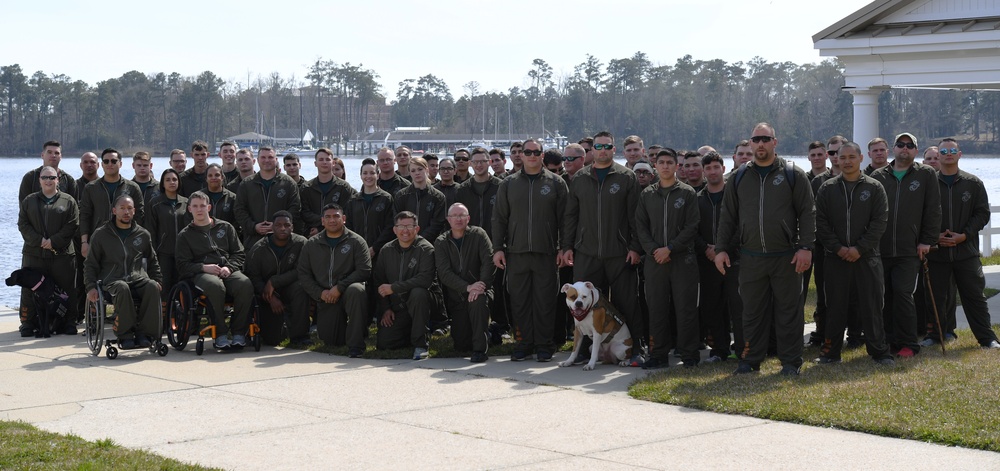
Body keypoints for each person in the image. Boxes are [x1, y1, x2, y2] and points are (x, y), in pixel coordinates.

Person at [714, 122, 815, 376]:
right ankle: (750, 360)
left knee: (789, 312)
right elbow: (728, 217)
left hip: (786, 257)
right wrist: (721, 249)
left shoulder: (793, 174)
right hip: (751, 257)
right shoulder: (739, 176)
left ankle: (791, 362)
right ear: (750, 143)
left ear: (774, 142)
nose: (760, 144)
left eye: (765, 139)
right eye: (755, 139)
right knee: (752, 313)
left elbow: (807, 212)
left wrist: (805, 247)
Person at [563, 131, 644, 365]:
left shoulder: (626, 177)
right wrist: (567, 246)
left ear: (613, 149)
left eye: (607, 146)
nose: (602, 150)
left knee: (627, 302)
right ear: (592, 150)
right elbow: (571, 216)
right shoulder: (579, 178)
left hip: (619, 253)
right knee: (584, 306)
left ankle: (635, 348)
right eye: (598, 146)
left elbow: (635, 218)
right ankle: (585, 351)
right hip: (587, 252)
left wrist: (635, 247)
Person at [813, 142, 895, 365]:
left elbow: (880, 223)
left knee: (872, 305)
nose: (847, 161)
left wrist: (859, 248)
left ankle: (879, 351)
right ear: (837, 159)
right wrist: (839, 248)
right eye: (843, 157)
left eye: (852, 156)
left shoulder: (874, 187)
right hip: (835, 258)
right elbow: (821, 223)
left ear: (861, 158)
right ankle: (831, 352)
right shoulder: (827, 189)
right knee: (835, 306)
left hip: (867, 258)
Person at [493, 138, 568, 362]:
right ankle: (524, 343)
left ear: (542, 155)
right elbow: (499, 218)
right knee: (520, 301)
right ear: (521, 155)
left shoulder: (556, 183)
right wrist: (498, 248)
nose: (533, 156)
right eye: (528, 152)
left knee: (545, 301)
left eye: (537, 152)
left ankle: (545, 345)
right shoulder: (508, 183)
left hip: (546, 253)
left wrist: (563, 248)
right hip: (516, 253)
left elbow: (565, 220)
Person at [870, 132, 941, 358]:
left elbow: (933, 210)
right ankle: (888, 341)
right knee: (884, 296)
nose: (905, 148)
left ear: (915, 151)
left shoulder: (926, 174)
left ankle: (909, 343)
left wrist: (926, 241)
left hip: (909, 249)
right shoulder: (879, 175)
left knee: (903, 294)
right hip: (879, 249)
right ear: (894, 148)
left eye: (910, 146)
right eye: (901, 145)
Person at [924, 138, 1000, 349]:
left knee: (974, 296)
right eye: (944, 151)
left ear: (959, 154)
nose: (948, 154)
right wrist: (934, 236)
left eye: (952, 151)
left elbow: (982, 213)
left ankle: (987, 338)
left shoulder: (973, 183)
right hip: (937, 252)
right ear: (937, 156)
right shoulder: (929, 184)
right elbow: (919, 215)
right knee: (936, 297)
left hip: (966, 252)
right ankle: (936, 335)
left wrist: (964, 235)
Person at [635, 149, 701, 369]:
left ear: (676, 166)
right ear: (655, 166)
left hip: (682, 260)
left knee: (686, 309)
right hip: (655, 262)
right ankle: (659, 354)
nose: (665, 166)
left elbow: (692, 226)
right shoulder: (647, 195)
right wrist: (655, 250)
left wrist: (671, 248)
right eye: (661, 162)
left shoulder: (687, 193)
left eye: (669, 162)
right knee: (657, 308)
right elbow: (641, 226)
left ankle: (689, 354)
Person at [176, 191, 254, 349]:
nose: (199, 209)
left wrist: (229, 267)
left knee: (245, 284)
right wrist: (203, 267)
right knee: (215, 286)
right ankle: (220, 333)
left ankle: (239, 332)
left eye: (202, 206)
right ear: (189, 209)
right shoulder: (185, 235)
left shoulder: (225, 227)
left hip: (227, 269)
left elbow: (239, 253)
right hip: (201, 273)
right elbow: (182, 265)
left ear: (209, 207)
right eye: (195, 206)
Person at [84, 195, 162, 349]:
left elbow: (153, 261)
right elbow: (90, 263)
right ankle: (125, 334)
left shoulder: (143, 234)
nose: (126, 212)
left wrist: (158, 280)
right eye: (122, 208)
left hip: (137, 278)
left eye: (129, 208)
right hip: (111, 281)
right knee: (122, 287)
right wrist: (90, 287)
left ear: (134, 211)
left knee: (152, 286)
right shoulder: (101, 234)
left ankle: (145, 334)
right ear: (114, 211)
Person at [299, 204, 372, 355]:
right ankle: (349, 331)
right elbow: (303, 274)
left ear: (343, 219)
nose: (332, 220)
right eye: (328, 217)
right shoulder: (311, 244)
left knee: (356, 290)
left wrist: (339, 287)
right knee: (332, 340)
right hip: (326, 296)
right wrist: (320, 293)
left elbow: (364, 271)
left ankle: (356, 345)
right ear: (322, 221)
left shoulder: (357, 241)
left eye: (336, 216)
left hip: (347, 292)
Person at [17, 166, 79, 337]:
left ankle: (69, 322)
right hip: (34, 253)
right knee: (29, 289)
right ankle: (27, 322)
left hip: (62, 254)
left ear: (58, 179)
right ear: (39, 180)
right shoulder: (29, 201)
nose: (48, 181)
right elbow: (23, 224)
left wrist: (54, 241)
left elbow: (73, 224)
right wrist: (40, 241)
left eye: (52, 177)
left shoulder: (68, 201)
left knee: (67, 289)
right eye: (45, 177)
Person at [695, 151, 741, 362]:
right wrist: (707, 249)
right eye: (708, 168)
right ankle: (719, 350)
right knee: (712, 307)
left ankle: (742, 348)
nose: (712, 172)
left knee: (737, 306)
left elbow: (741, 226)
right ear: (703, 172)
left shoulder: (735, 195)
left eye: (716, 167)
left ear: (724, 168)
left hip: (733, 259)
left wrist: (723, 249)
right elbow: (691, 228)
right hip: (707, 262)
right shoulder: (697, 199)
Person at [456, 151, 507, 339]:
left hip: (496, 244)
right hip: (470, 244)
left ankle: (501, 324)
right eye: (475, 162)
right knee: (473, 283)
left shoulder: (500, 186)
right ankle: (474, 323)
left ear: (489, 163)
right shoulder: (462, 190)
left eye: (483, 162)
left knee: (498, 286)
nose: (479, 165)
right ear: (470, 164)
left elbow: (506, 216)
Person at [435, 203, 494, 362]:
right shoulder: (441, 242)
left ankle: (480, 350)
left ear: (468, 218)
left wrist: (480, 286)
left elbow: (489, 262)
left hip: (481, 290)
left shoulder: (479, 235)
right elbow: (444, 273)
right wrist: (467, 287)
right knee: (461, 344)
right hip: (458, 294)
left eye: (462, 215)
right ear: (448, 219)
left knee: (478, 301)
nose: (458, 219)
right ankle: (487, 334)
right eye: (454, 216)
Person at [375, 211, 436, 360]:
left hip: (422, 304)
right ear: (394, 229)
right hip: (398, 307)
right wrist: (386, 308)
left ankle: (420, 344)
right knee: (384, 343)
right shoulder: (386, 250)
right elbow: (379, 282)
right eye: (401, 226)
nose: (405, 230)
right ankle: (410, 332)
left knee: (418, 292)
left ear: (417, 229)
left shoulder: (426, 249)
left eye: (409, 226)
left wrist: (394, 288)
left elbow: (425, 279)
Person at [246, 211, 310, 346]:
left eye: (287, 225)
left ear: (292, 227)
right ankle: (280, 327)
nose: (282, 228)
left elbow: (302, 271)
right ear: (272, 227)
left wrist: (274, 281)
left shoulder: (301, 243)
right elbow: (253, 277)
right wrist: (271, 297)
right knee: (273, 340)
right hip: (266, 294)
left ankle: (300, 336)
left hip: (290, 287)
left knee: (301, 288)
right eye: (278, 225)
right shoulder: (258, 248)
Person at [80, 148, 145, 257]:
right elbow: (84, 216)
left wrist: (135, 238)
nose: (110, 164)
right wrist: (84, 242)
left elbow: (139, 215)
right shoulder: (91, 188)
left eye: (114, 161)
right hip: (98, 240)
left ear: (120, 164)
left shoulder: (132, 187)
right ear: (101, 164)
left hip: (125, 240)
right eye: (106, 161)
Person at [235, 146, 302, 247]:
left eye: (270, 157)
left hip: (282, 241)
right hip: (253, 241)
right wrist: (254, 227)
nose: (267, 160)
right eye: (263, 157)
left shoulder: (289, 183)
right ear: (257, 160)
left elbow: (295, 209)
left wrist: (278, 225)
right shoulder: (246, 184)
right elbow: (239, 210)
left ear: (276, 160)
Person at [144, 168, 190, 312]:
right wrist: (153, 253)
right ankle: (163, 321)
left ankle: (184, 320)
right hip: (163, 253)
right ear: (162, 183)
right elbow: (150, 230)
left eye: (174, 179)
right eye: (168, 180)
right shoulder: (155, 203)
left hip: (183, 254)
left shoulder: (186, 203)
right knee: (164, 287)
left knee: (183, 286)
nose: (172, 182)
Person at [301, 148, 357, 237]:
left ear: (333, 163)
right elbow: (304, 213)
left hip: (338, 234)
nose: (324, 162)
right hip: (311, 234)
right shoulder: (306, 187)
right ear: (315, 164)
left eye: (327, 159)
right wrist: (323, 222)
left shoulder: (343, 187)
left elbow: (345, 212)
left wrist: (320, 228)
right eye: (321, 159)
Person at [393, 157, 446, 241]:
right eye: (413, 171)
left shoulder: (438, 197)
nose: (417, 173)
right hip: (405, 241)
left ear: (427, 170)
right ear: (410, 173)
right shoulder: (401, 195)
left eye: (420, 169)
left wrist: (419, 240)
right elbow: (397, 220)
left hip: (429, 244)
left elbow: (437, 224)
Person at [204, 164, 240, 233]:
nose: (213, 178)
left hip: (226, 238)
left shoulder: (232, 198)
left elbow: (237, 222)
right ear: (206, 179)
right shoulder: (198, 198)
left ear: (222, 177)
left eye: (217, 175)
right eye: (210, 175)